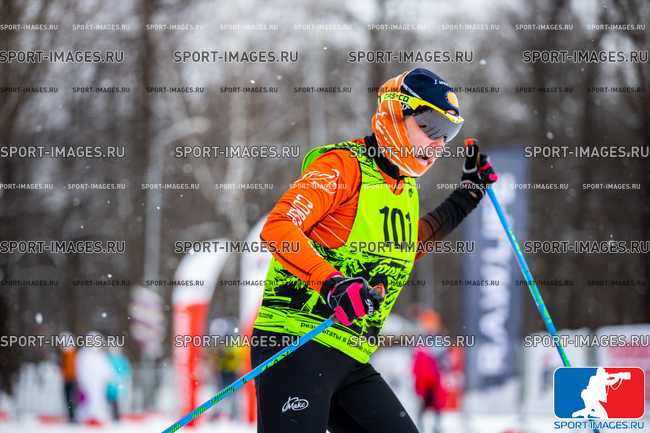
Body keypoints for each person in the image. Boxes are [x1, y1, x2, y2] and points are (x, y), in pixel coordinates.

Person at [251, 68, 498, 433]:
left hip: (350, 356)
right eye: (430, 126)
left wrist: (466, 197)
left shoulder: (404, 188)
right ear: (395, 114)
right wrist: (333, 284)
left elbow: (403, 249)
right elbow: (279, 227)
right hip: (296, 343)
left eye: (448, 133)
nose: (437, 143)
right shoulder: (342, 167)